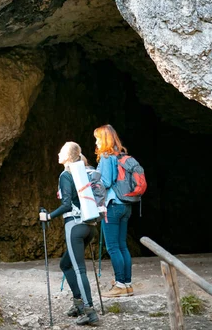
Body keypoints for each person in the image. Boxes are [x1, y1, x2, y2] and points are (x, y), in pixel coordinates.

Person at [39, 142, 101, 326]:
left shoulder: (66, 174)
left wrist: (48, 216)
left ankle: (89, 311)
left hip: (75, 226)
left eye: (61, 151)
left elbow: (67, 205)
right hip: (90, 226)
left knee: (79, 269)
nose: (58, 152)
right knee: (66, 264)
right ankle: (78, 304)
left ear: (68, 156)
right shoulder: (84, 172)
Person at [94, 124, 134, 298]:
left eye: (97, 138)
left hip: (112, 205)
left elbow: (106, 181)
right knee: (122, 245)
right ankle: (127, 284)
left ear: (104, 139)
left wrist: (92, 180)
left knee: (112, 247)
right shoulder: (121, 155)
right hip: (126, 205)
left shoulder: (106, 156)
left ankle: (119, 285)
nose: (95, 141)